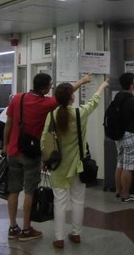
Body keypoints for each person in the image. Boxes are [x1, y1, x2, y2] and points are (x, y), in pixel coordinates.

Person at [3, 73, 90, 242]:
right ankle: (26, 229)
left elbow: (8, 123)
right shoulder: (46, 104)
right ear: (45, 88)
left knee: (13, 190)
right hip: (31, 153)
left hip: (13, 151)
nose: (51, 88)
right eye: (50, 85)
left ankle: (13, 227)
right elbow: (67, 92)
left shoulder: (17, 98)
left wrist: (5, 145)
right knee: (29, 191)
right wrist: (83, 81)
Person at [41, 77, 109, 249]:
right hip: (78, 166)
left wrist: (46, 160)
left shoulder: (52, 115)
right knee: (78, 201)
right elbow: (94, 101)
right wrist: (102, 86)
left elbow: (44, 141)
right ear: (72, 97)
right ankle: (76, 233)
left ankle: (58, 238)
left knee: (59, 202)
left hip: (58, 167)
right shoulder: (80, 113)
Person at [113, 72, 134, 203]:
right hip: (130, 134)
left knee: (120, 163)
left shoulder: (118, 96)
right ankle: (126, 195)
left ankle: (118, 191)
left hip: (119, 134)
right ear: (132, 83)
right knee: (129, 166)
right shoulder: (133, 100)